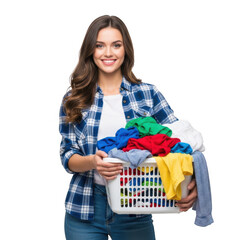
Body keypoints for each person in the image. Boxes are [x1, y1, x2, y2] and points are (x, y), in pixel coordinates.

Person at [59, 15, 197, 240]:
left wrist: (193, 186)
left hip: (136, 206)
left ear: (126, 49)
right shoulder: (75, 98)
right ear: (90, 51)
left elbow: (182, 143)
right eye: (99, 45)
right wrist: (92, 161)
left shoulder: (147, 94)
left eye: (116, 45)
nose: (108, 53)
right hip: (85, 208)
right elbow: (67, 156)